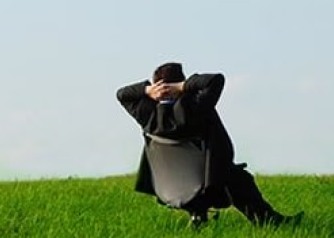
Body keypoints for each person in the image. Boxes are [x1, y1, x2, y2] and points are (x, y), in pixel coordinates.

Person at [116, 62, 300, 227]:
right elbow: (215, 80)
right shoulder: (196, 107)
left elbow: (122, 94)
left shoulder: (146, 114)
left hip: (168, 187)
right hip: (207, 184)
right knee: (239, 179)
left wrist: (147, 91)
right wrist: (182, 87)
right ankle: (271, 223)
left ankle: (198, 214)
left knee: (232, 176)